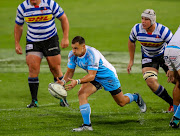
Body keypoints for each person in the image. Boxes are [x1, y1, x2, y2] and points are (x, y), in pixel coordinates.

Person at [57, 36, 147, 132]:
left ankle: (135, 97)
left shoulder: (92, 54)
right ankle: (87, 125)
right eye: (72, 48)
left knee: (121, 102)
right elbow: (70, 72)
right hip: (95, 77)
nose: (73, 51)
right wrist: (62, 82)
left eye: (76, 48)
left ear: (83, 47)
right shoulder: (72, 55)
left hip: (108, 76)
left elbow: (91, 76)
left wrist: (77, 81)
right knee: (82, 93)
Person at [14, 0, 69, 108]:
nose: (33, 1)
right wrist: (17, 43)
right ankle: (34, 101)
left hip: (50, 40)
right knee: (32, 68)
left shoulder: (50, 4)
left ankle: (63, 99)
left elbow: (63, 18)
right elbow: (19, 25)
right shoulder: (22, 7)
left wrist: (65, 37)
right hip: (33, 41)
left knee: (55, 68)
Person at [127, 9, 174, 112]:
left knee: (176, 80)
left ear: (152, 21)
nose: (143, 21)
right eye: (142, 18)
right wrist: (131, 60)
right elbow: (131, 42)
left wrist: (171, 67)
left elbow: (174, 48)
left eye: (146, 19)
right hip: (148, 57)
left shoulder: (163, 31)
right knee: (150, 82)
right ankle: (173, 104)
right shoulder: (136, 29)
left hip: (165, 56)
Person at [164, 26, 180, 128]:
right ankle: (176, 119)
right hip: (178, 51)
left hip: (168, 50)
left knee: (179, 82)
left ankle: (175, 113)